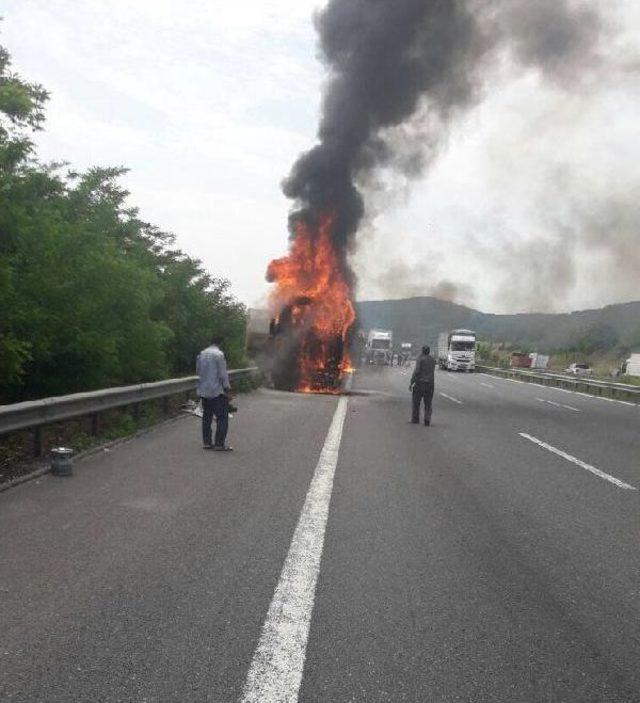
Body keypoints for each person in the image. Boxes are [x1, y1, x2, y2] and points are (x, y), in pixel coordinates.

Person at [196, 335, 233, 451]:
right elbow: (223, 374)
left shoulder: (201, 354)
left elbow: (198, 371)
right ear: (220, 343)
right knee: (222, 417)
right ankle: (219, 444)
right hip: (217, 391)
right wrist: (227, 388)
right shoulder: (219, 355)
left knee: (207, 417)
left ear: (210, 342)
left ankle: (207, 442)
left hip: (204, 390)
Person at [410, 345, 436, 426]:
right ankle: (427, 419)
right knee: (428, 403)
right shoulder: (433, 360)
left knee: (416, 402)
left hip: (420, 384)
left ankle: (415, 419)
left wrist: (411, 382)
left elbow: (417, 371)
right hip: (430, 384)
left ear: (422, 351)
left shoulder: (420, 359)